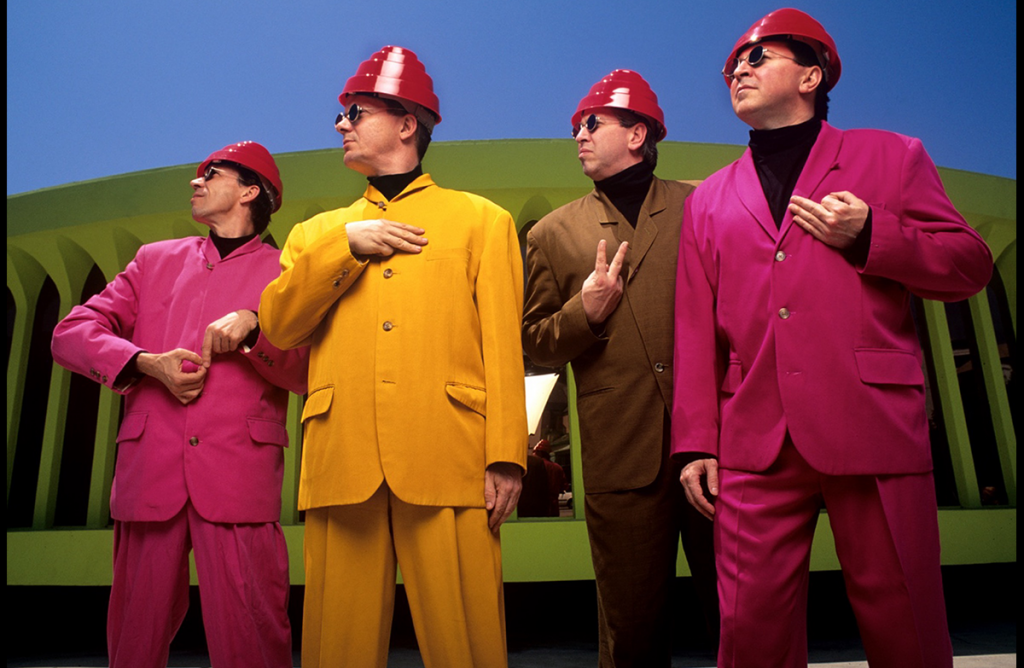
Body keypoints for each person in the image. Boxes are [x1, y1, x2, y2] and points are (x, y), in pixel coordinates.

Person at [673, 9, 994, 668]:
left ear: (811, 76)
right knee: (749, 629)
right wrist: (696, 442)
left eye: (757, 57)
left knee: (904, 618)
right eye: (732, 65)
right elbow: (696, 329)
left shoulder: (892, 156)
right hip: (754, 439)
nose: (737, 70)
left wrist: (873, 233)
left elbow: (969, 265)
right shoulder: (707, 200)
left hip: (871, 420)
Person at [258, 45, 527, 668]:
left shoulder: (482, 221)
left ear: (408, 124)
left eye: (355, 112)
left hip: (451, 454)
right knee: (335, 650)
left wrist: (507, 455)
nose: (340, 124)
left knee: (468, 645)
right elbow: (280, 326)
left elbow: (502, 347)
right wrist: (345, 247)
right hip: (341, 455)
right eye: (341, 114)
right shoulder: (315, 234)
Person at [51, 141, 308, 668]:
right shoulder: (154, 260)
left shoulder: (288, 274)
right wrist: (145, 362)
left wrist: (254, 329)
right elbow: (69, 334)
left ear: (251, 191)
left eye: (211, 174)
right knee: (134, 640)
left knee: (254, 635)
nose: (196, 181)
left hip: (239, 476)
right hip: (151, 472)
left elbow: (305, 372)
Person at [523, 69, 719, 667]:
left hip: (718, 444)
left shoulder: (703, 203)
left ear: (638, 134)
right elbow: (534, 344)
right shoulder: (552, 232)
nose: (578, 136)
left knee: (744, 615)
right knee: (630, 630)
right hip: (620, 451)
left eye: (591, 123)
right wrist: (583, 313)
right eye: (575, 129)